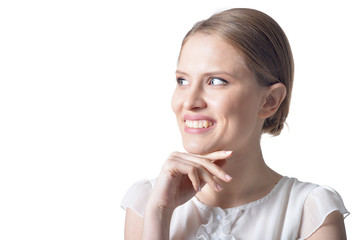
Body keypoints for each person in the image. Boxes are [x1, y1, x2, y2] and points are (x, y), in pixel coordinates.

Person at [121, 8, 349, 240]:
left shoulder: (310, 212)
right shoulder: (147, 201)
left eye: (216, 81)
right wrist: (159, 214)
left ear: (270, 101)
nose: (189, 102)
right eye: (182, 80)